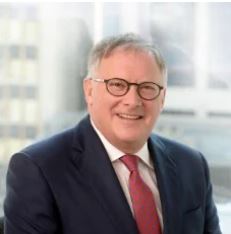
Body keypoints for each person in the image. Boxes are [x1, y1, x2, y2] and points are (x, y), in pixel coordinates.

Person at [4, 33, 221, 234]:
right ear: (89, 91)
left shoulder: (191, 166)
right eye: (117, 85)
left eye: (147, 87)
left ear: (162, 98)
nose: (132, 101)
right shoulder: (38, 169)